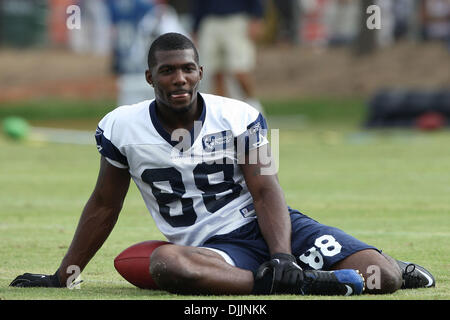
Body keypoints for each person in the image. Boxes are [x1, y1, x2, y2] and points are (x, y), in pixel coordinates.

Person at [10, 33, 435, 295]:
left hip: (267, 225)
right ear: (149, 77)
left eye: (187, 69)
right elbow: (104, 204)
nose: (179, 79)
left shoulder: (239, 115)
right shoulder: (121, 126)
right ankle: (305, 285)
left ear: (200, 72)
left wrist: (282, 254)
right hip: (214, 250)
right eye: (167, 70)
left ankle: (373, 267)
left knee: (382, 279)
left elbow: (267, 188)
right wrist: (65, 273)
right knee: (168, 264)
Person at [191, 0, 265, 113]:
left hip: (236, 20)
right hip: (210, 21)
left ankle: (254, 108)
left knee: (240, 70)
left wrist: (257, 18)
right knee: (215, 73)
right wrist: (195, 27)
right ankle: (222, 115)